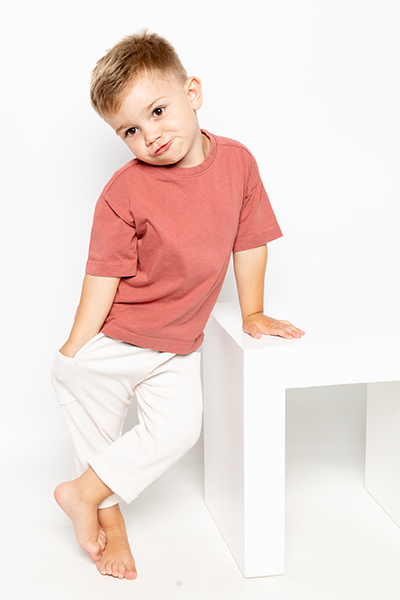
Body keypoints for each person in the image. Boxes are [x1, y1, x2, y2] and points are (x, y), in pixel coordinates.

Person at [51, 30, 305, 581]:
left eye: (158, 111)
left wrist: (253, 311)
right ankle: (109, 522)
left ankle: (81, 493)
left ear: (193, 92)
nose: (150, 135)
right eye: (130, 131)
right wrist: (75, 348)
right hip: (115, 339)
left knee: (178, 430)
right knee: (97, 435)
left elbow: (249, 241)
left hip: (177, 345)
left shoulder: (238, 164)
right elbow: (103, 273)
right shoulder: (124, 191)